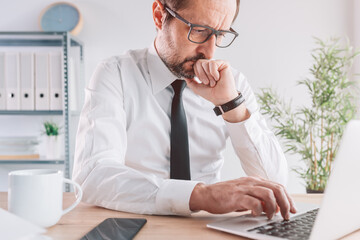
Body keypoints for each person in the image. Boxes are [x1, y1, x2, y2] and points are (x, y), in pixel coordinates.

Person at [72, 0, 297, 220]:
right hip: (136, 222)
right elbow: (92, 175)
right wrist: (200, 195)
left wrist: (230, 105)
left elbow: (274, 183)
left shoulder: (232, 84)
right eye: (199, 30)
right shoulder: (116, 74)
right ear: (160, 16)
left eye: (219, 35)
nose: (209, 51)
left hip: (205, 229)